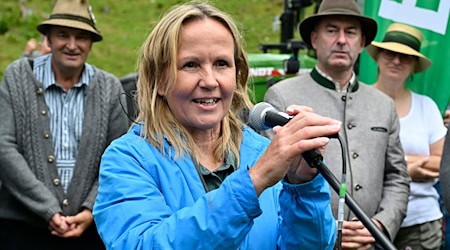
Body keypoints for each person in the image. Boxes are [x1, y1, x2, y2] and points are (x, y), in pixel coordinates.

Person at [93, 2, 340, 249]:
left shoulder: (262, 152)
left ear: (238, 74)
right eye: (190, 64)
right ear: (159, 79)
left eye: (221, 63)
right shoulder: (128, 159)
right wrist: (253, 183)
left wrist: (302, 188)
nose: (210, 81)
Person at [262, 0, 411, 249]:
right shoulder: (282, 97)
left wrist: (381, 224)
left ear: (362, 42)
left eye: (350, 32)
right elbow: (271, 180)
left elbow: (398, 177)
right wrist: (324, 227)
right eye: (331, 30)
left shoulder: (383, 104)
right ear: (314, 39)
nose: (341, 40)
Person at [0, 0, 129, 249]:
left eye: (81, 37)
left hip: (89, 228)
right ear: (48, 38)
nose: (72, 45)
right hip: (20, 227)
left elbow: (118, 155)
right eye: (62, 35)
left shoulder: (109, 87)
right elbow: (4, 147)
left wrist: (91, 209)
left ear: (91, 42)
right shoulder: (18, 77)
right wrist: (48, 209)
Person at [367, 23, 446, 250]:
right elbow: (355, 160)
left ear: (414, 66)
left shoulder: (426, 106)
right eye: (390, 53)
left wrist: (392, 165)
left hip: (421, 221)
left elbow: (440, 163)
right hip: (370, 220)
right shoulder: (359, 102)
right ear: (378, 57)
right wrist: (410, 168)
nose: (396, 61)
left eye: (405, 57)